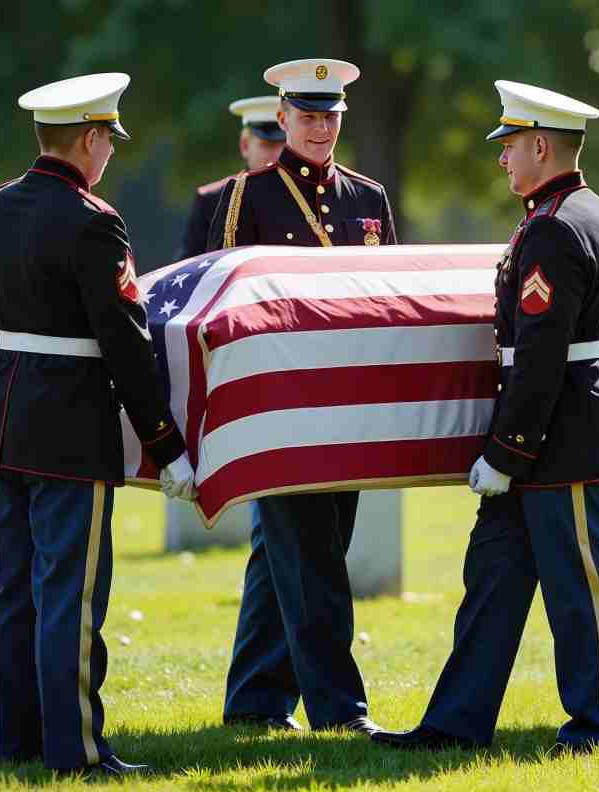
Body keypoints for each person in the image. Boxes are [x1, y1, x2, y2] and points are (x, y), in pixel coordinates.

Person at [371, 80, 599, 753]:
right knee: (491, 580)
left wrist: (507, 453)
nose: (502, 158)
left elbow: (542, 356)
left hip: (558, 435)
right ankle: (457, 722)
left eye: (511, 144)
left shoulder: (554, 228)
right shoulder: (584, 211)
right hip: (548, 428)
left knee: (579, 591)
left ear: (542, 144)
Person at [0, 72, 197, 777]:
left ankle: (16, 744)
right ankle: (77, 753)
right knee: (68, 591)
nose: (111, 155)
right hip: (68, 427)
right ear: (92, 139)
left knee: (10, 589)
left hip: (2, 416)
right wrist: (167, 445)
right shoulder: (94, 220)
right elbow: (125, 341)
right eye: (109, 141)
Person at [208, 58, 395, 735]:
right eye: (307, 115)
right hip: (281, 411)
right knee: (310, 560)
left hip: (347, 407)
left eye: (330, 116)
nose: (320, 128)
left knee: (292, 555)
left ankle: (254, 700)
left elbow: (388, 304)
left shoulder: (368, 199)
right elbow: (222, 301)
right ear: (282, 117)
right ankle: (340, 712)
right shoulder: (248, 196)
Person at [174, 96, 286, 260]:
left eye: (284, 145)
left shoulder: (308, 193)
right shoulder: (212, 199)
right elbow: (188, 269)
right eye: (267, 145)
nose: (277, 154)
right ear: (245, 146)